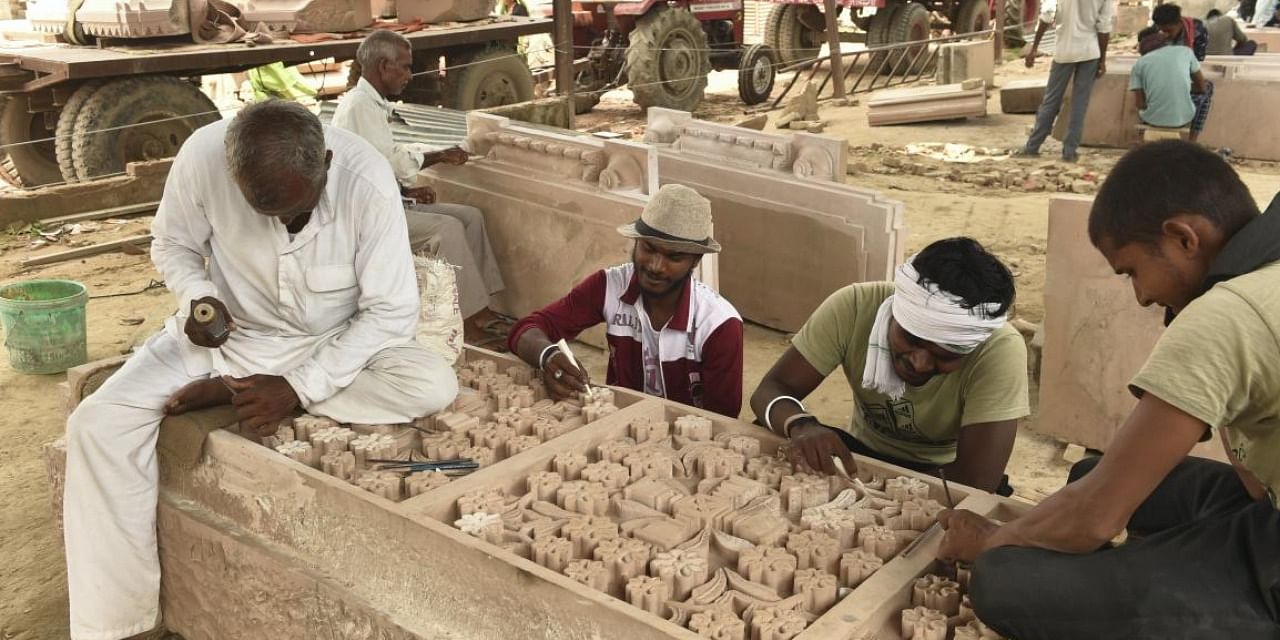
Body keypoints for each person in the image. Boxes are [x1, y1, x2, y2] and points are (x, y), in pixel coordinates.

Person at [62, 100, 459, 640]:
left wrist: (297, 387)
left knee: (431, 384)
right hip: (230, 338)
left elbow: (390, 311)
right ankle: (117, 624)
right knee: (95, 425)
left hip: (329, 343)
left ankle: (234, 395)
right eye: (264, 212)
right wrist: (200, 298)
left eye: (296, 211)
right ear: (233, 174)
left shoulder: (365, 180)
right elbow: (172, 244)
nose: (284, 225)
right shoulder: (203, 155)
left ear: (327, 162)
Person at [938, 141, 1280, 639]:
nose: (1142, 296)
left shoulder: (1227, 313)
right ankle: (1175, 569)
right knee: (1092, 472)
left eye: (1133, 271)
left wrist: (993, 540)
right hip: (1268, 505)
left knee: (1004, 579)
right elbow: (1254, 485)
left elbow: (1096, 519)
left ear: (1184, 237)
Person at [749, 238, 1028, 494]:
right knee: (775, 431)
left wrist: (877, 492)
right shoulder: (856, 306)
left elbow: (977, 480)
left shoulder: (998, 350)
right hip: (860, 453)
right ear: (896, 311)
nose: (919, 363)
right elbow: (772, 389)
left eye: (945, 356)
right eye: (910, 339)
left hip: (944, 472)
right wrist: (800, 424)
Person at [332, 30, 508, 347]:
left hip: (385, 202)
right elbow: (389, 163)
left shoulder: (371, 104)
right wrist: (439, 155)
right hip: (365, 217)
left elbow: (375, 167)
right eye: (405, 67)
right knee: (447, 229)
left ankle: (482, 308)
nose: (409, 76)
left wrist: (405, 192)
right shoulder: (359, 106)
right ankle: (466, 320)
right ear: (384, 66)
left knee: (470, 217)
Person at [507, 184, 744, 417]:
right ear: (637, 242)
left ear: (695, 261)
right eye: (648, 249)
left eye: (674, 257)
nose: (655, 266)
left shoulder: (719, 324)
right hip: (616, 422)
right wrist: (548, 356)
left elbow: (722, 419)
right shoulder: (608, 286)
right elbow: (526, 329)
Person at [1018, 0, 1114, 162]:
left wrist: (1034, 48)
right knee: (1080, 102)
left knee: (1051, 99)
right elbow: (1104, 25)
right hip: (1090, 51)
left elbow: (1047, 15)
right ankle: (1069, 151)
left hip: (1064, 50)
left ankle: (1033, 146)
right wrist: (1102, 59)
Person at [1130, 27, 1212, 143]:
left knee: (1151, 95)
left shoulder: (1139, 64)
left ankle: (1141, 137)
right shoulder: (1185, 51)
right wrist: (1183, 87)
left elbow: (1140, 104)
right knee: (1209, 86)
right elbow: (1201, 87)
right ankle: (1192, 140)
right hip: (1183, 118)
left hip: (1151, 118)